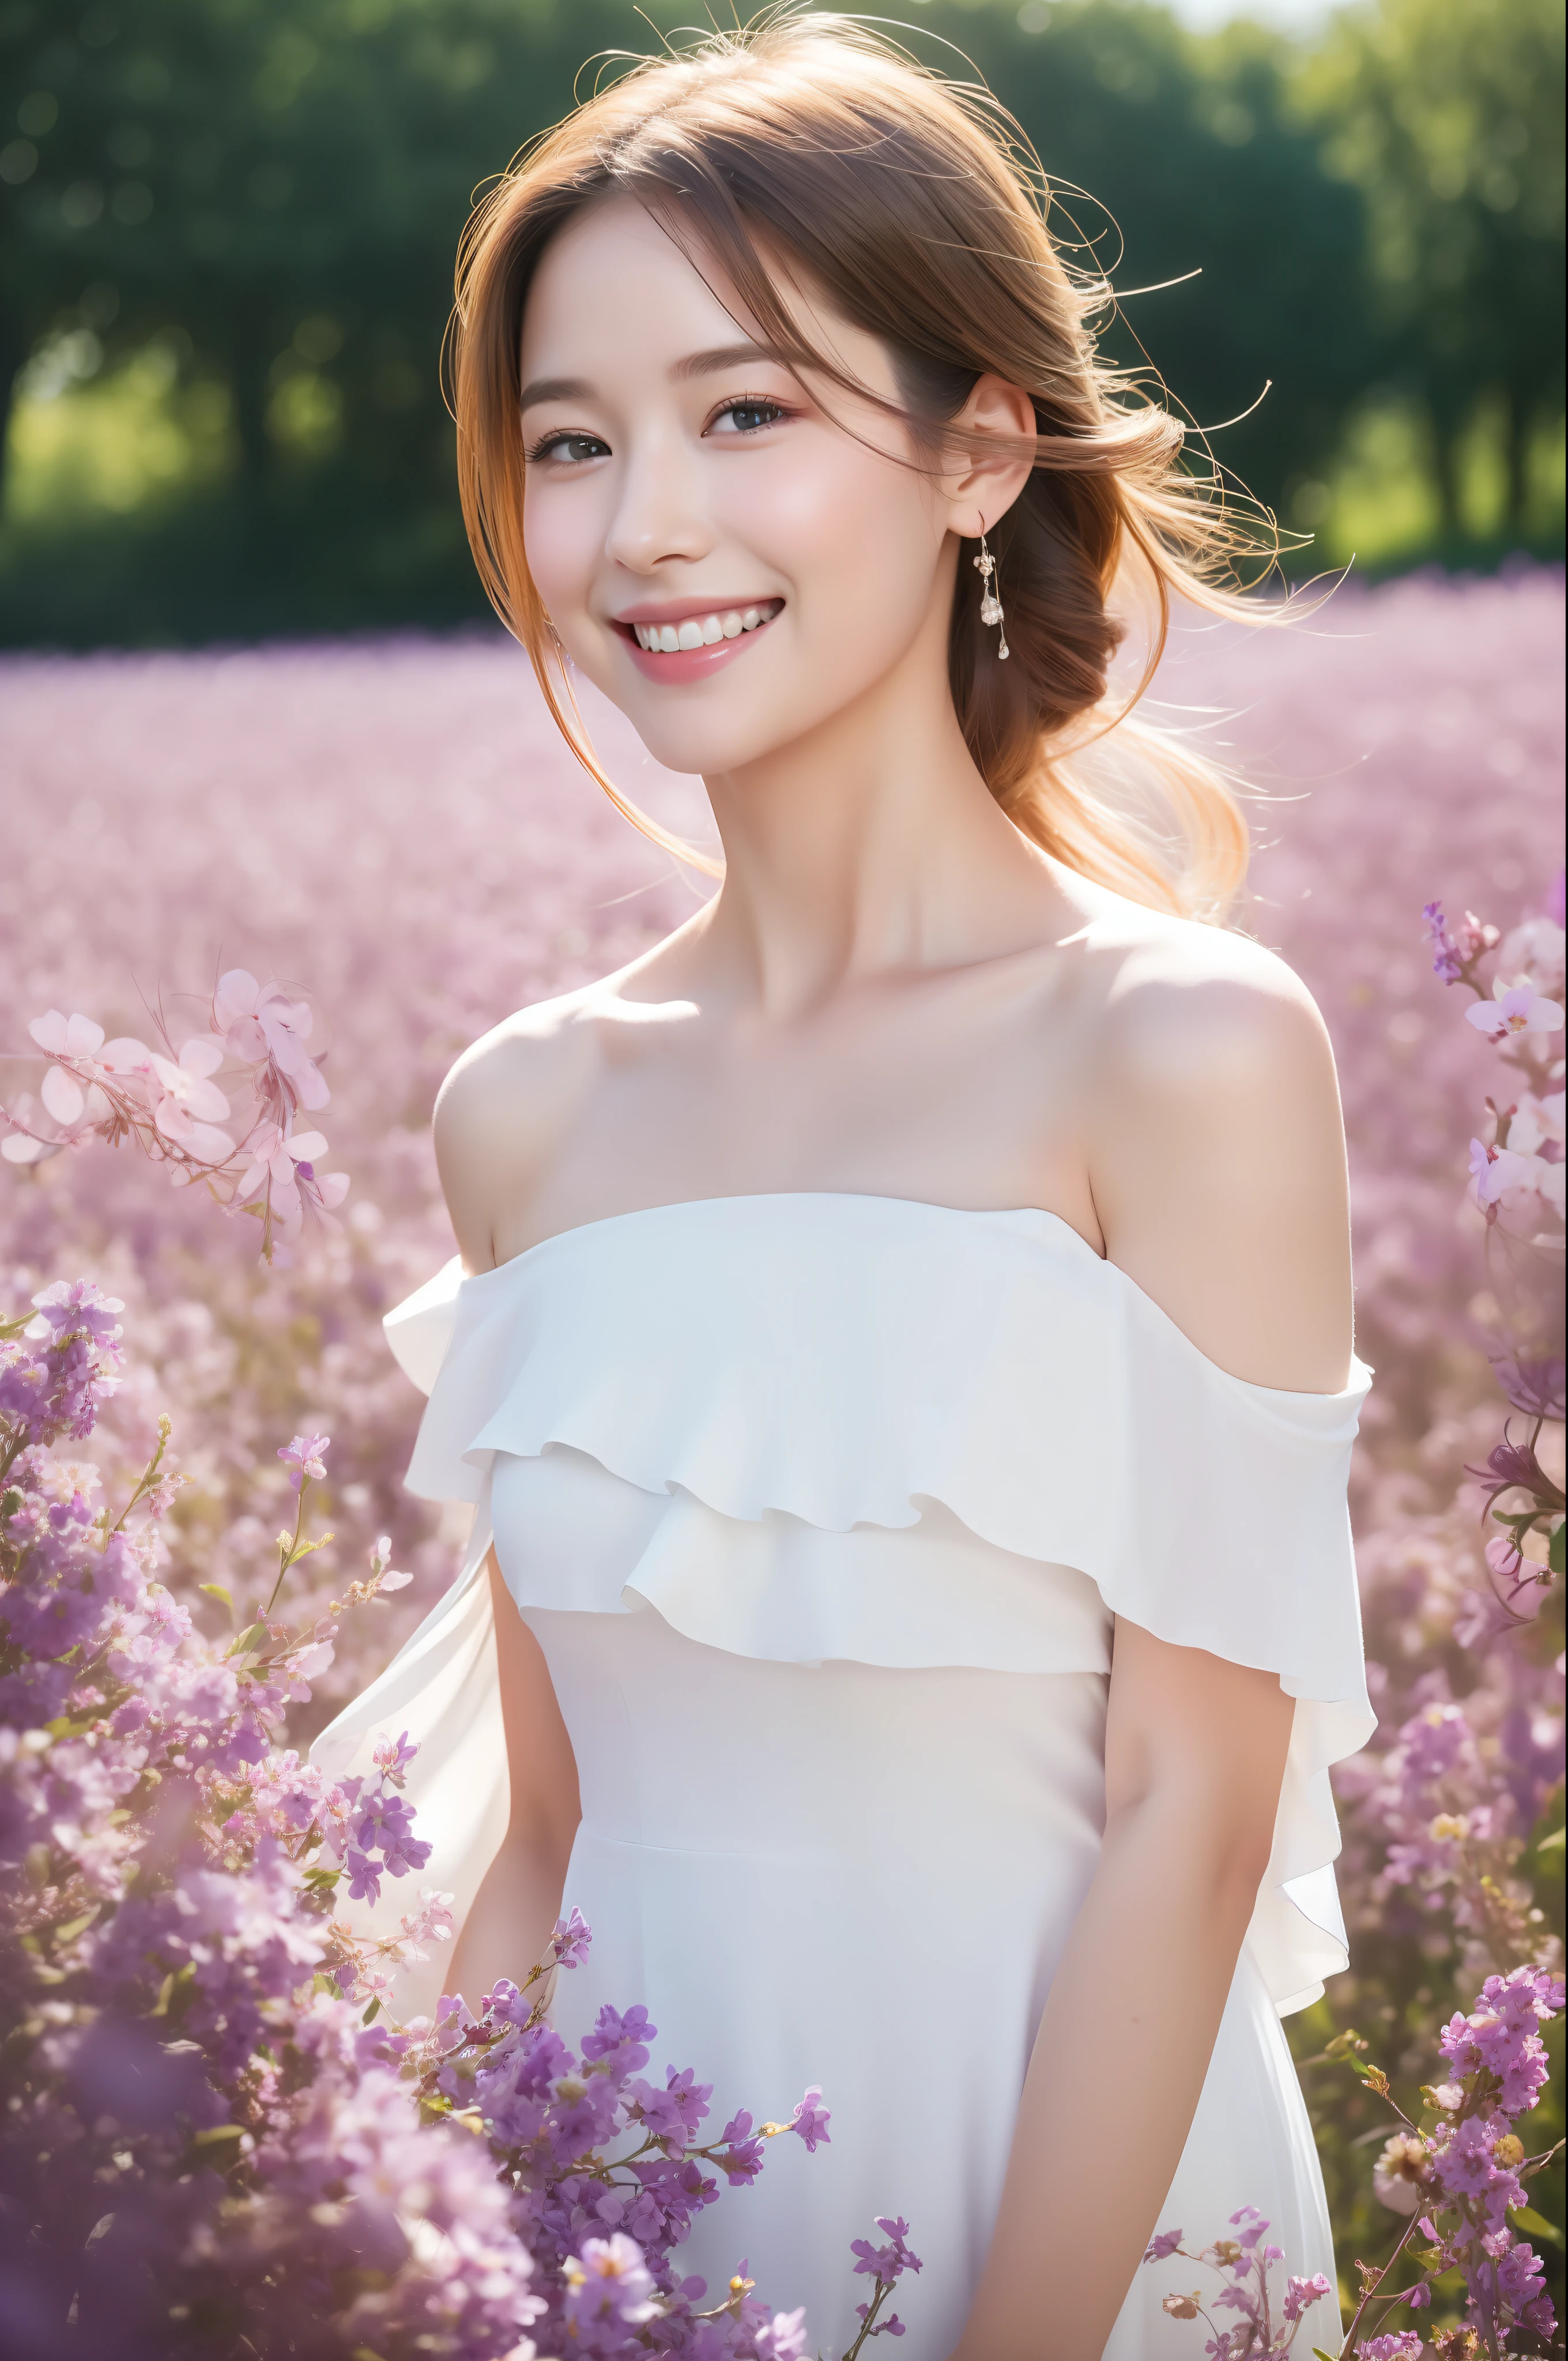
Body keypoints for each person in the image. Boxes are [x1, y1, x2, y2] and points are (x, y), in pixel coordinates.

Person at [315, 16, 1373, 2355]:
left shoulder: (1175, 1052)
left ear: (978, 448)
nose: (641, 525)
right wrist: (410, 2267)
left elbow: (1184, 1819)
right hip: (634, 2224)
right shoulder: (525, 1113)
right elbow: (551, 1836)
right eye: (568, 444)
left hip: (1063, 2230)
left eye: (746, 412)